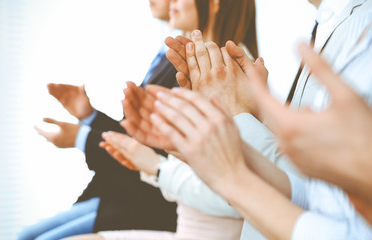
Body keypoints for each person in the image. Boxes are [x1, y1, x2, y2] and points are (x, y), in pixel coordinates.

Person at [125, 0, 372, 239]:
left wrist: (210, 162)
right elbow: (323, 195)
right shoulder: (357, 26)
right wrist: (206, 141)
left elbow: (368, 224)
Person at [64, 0, 259, 239]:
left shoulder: (229, 69)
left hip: (167, 208)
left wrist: (157, 167)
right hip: (179, 211)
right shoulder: (196, 63)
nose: (171, 3)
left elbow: (235, 181)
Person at [21, 1, 178, 239]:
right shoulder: (166, 54)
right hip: (120, 190)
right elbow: (137, 137)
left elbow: (155, 151)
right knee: (26, 235)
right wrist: (89, 117)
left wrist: (80, 138)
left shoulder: (187, 63)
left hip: (143, 202)